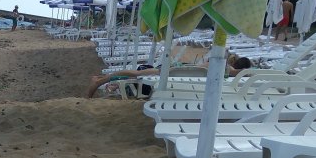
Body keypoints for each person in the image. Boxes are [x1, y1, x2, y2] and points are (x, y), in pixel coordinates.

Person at [86, 55, 252, 99]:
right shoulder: (225, 68)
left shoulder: (220, 66)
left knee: (138, 75)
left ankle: (103, 79)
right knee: (137, 75)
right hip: (174, 72)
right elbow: (238, 72)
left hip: (175, 71)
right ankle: (101, 81)